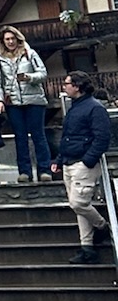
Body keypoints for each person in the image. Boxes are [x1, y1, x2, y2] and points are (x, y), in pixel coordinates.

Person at [50, 71, 113, 265]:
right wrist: (60, 159)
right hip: (72, 160)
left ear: (77, 86)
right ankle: (87, 247)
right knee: (80, 206)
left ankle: (102, 227)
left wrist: (88, 160)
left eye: (67, 84)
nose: (64, 87)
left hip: (83, 162)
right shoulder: (76, 108)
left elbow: (102, 137)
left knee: (78, 203)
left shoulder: (94, 108)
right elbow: (68, 137)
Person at [0, 27, 53, 183]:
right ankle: (24, 172)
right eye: (7, 39)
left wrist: (29, 77)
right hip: (13, 102)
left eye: (13, 38)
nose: (11, 42)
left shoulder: (29, 53)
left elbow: (43, 73)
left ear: (18, 38)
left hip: (34, 101)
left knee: (38, 135)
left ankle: (44, 170)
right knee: (20, 137)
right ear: (3, 41)